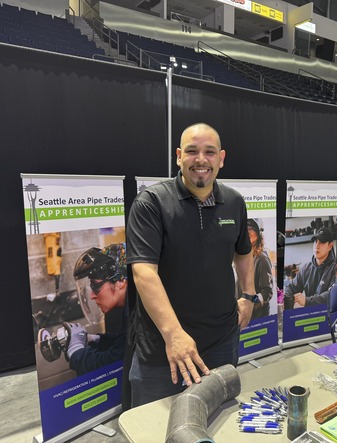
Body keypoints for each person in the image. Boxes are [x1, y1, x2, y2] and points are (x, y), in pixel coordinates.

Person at [126, 123, 256, 406]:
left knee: (217, 423)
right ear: (178, 156)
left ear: (221, 158)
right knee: (153, 429)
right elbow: (144, 272)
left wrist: (248, 295)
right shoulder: (152, 203)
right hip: (163, 349)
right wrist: (174, 335)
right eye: (192, 151)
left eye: (209, 152)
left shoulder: (234, 202)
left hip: (221, 343)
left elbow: (244, 251)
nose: (201, 160)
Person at [67, 243, 128, 376]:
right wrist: (95, 339)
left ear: (120, 282)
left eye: (96, 286)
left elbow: (111, 363)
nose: (92, 295)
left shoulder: (135, 311)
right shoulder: (130, 305)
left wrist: (76, 351)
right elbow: (124, 342)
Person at [283, 227, 336, 308]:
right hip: (309, 316)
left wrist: (306, 301)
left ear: (330, 246)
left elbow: (332, 295)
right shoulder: (306, 268)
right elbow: (291, 287)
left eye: (321, 242)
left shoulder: (336, 268)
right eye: (315, 242)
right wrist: (286, 299)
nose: (317, 246)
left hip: (330, 317)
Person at [236, 219, 273, 319]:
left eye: (251, 228)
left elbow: (267, 292)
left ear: (258, 234)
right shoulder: (240, 256)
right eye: (245, 228)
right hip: (240, 314)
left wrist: (250, 303)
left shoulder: (262, 259)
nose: (247, 231)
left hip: (257, 317)